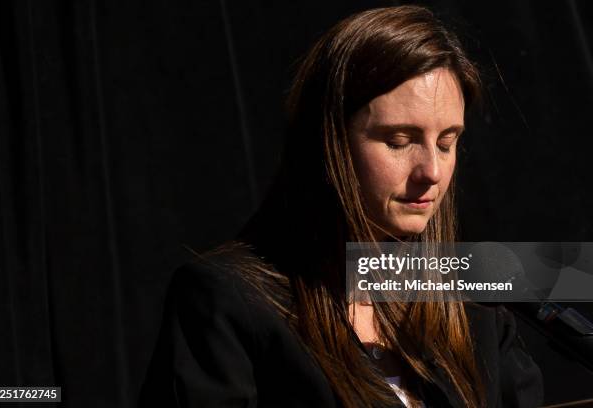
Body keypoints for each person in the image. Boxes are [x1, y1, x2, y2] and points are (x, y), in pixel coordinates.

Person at [140, 5, 543, 408]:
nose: (432, 172)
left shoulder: (472, 294)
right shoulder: (230, 300)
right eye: (399, 141)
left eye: (446, 142)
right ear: (328, 141)